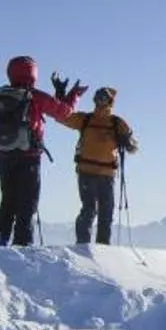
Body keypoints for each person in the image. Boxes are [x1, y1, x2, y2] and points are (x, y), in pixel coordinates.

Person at [0, 56, 83, 245]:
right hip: (29, 157)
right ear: (33, 73)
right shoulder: (34, 96)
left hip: (4, 157)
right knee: (27, 205)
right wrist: (72, 95)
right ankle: (22, 246)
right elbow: (64, 112)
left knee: (7, 199)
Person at [56, 86, 138, 246]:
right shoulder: (90, 120)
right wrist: (61, 98)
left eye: (104, 97)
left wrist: (127, 143)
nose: (101, 100)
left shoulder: (114, 122)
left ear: (110, 100)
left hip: (97, 173)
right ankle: (86, 247)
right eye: (98, 97)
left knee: (103, 212)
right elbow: (61, 117)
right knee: (91, 210)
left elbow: (133, 146)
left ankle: (98, 248)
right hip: (94, 173)